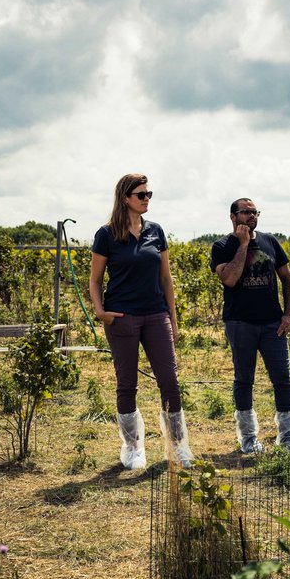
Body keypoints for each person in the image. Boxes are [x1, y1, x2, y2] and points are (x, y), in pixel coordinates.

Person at [89, 173, 193, 470]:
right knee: (127, 383)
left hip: (156, 314)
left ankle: (177, 446)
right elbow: (95, 280)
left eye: (149, 194)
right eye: (141, 195)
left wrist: (173, 320)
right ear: (125, 198)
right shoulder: (106, 235)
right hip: (122, 317)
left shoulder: (156, 231)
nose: (146, 199)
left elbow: (166, 279)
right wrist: (100, 311)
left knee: (170, 381)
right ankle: (133, 446)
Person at [210, 198, 290, 454]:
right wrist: (242, 245)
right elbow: (229, 279)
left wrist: (288, 315)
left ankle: (287, 437)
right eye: (246, 212)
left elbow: (288, 279)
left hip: (273, 324)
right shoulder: (222, 246)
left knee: (282, 379)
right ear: (232, 216)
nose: (252, 216)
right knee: (244, 380)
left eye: (255, 212)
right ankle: (248, 439)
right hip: (240, 324)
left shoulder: (270, 242)